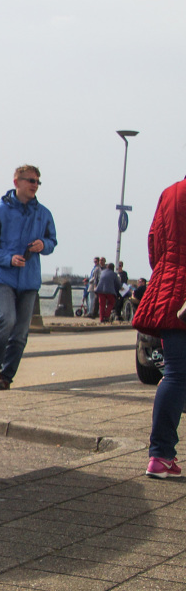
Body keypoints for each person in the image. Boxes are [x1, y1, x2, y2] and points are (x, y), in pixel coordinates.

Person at [0, 164, 58, 390]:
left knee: (21, 332)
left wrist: (44, 244)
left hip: (29, 280)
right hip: (3, 276)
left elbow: (52, 241)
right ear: (17, 182)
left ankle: (6, 376)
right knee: (7, 320)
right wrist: (7, 258)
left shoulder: (43, 214)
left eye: (37, 182)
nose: (35, 186)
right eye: (31, 181)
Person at [131, 173, 186, 479]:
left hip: (170, 291)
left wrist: (169, 273)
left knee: (175, 374)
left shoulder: (170, 192)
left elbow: (154, 243)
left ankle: (160, 456)